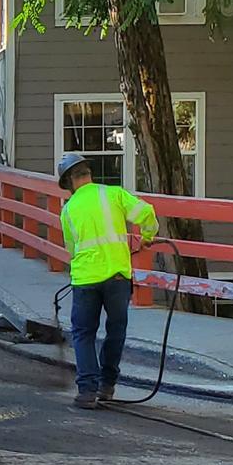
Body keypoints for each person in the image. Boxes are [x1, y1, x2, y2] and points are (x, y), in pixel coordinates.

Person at [57, 151, 158, 409]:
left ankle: (87, 391)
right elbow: (146, 212)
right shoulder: (113, 194)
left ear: (69, 182)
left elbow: (72, 249)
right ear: (89, 174)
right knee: (116, 330)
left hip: (86, 279)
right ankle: (107, 385)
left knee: (83, 333)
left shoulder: (68, 210)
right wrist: (148, 236)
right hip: (117, 276)